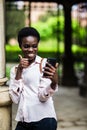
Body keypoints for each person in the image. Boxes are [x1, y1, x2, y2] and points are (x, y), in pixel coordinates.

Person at [9, 27, 58, 130]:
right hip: (24, 121)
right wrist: (19, 71)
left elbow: (42, 97)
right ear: (20, 46)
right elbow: (14, 99)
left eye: (34, 46)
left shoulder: (44, 64)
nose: (31, 50)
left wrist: (53, 83)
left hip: (44, 120)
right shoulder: (15, 70)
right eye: (26, 46)